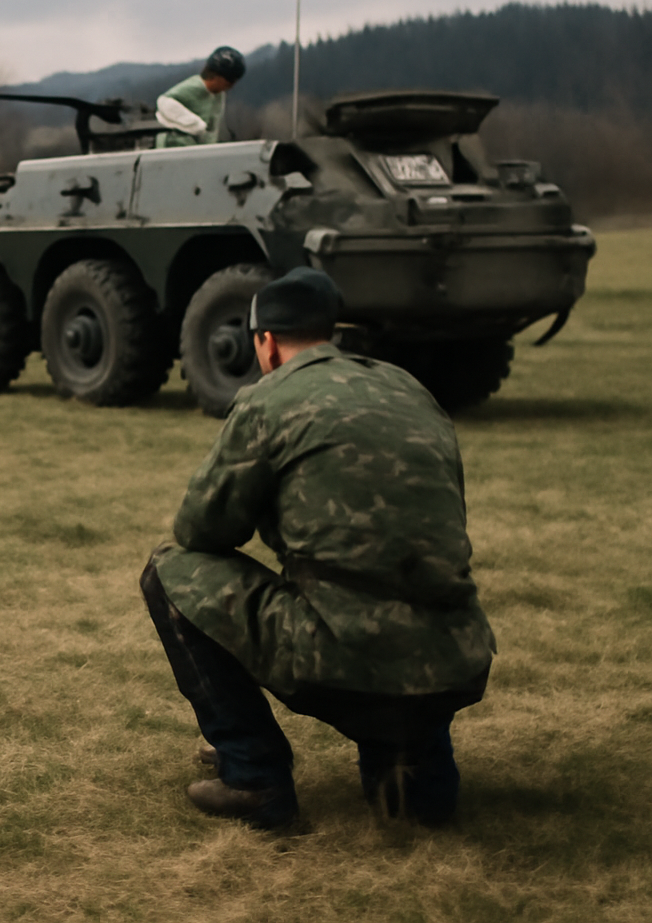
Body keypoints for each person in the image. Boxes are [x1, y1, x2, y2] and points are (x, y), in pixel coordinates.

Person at [139, 266, 495, 830]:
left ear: (267, 343)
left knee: (171, 570)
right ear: (329, 330)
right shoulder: (412, 392)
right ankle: (420, 780)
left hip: (345, 657)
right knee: (407, 806)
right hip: (452, 661)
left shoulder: (270, 400)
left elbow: (200, 532)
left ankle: (254, 775)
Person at [154, 45, 247, 148]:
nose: (230, 86)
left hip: (196, 148)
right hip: (174, 144)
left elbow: (213, 129)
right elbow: (164, 102)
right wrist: (195, 124)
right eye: (230, 81)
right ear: (216, 75)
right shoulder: (196, 86)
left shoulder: (219, 96)